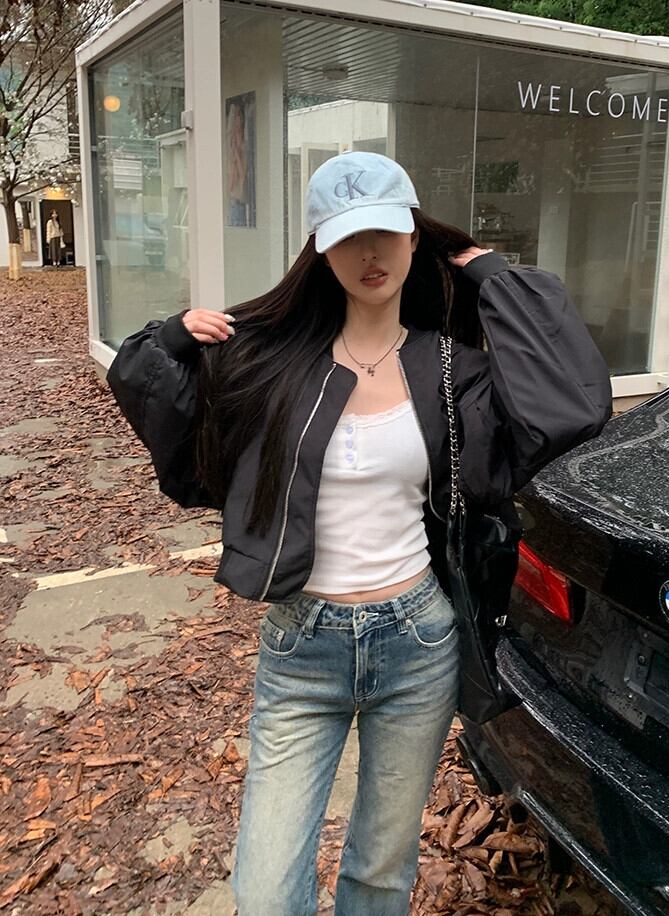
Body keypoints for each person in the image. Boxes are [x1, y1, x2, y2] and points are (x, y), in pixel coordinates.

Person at [106, 151, 612, 916]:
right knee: (265, 891)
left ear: (413, 237)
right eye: (348, 238)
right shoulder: (272, 361)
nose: (370, 254)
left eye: (385, 232)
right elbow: (166, 420)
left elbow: (565, 410)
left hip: (418, 645)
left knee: (380, 872)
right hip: (301, 647)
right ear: (321, 249)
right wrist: (171, 338)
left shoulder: (451, 370)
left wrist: (496, 277)